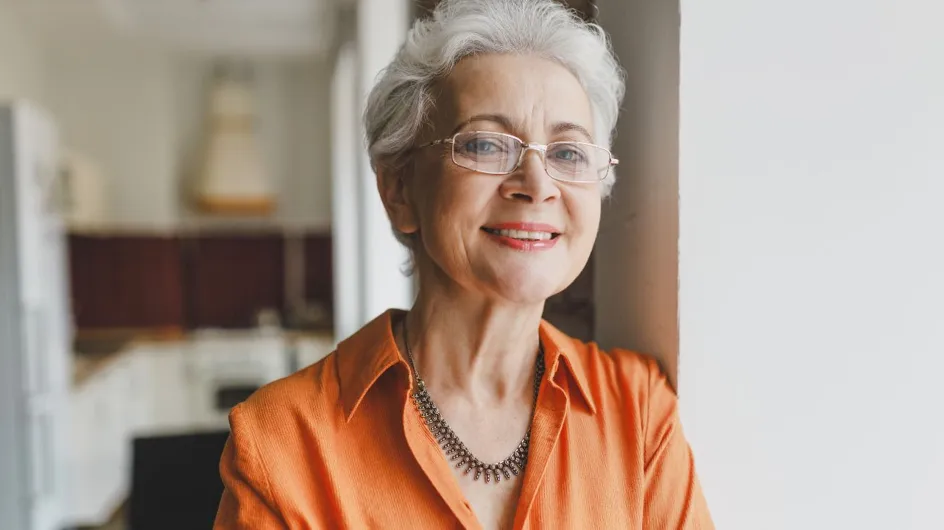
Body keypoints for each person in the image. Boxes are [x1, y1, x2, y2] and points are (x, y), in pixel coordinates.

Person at [213, 0, 713, 528]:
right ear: (399, 189)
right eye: (485, 143)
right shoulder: (283, 444)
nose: (537, 185)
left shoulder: (638, 414)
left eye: (567, 153)